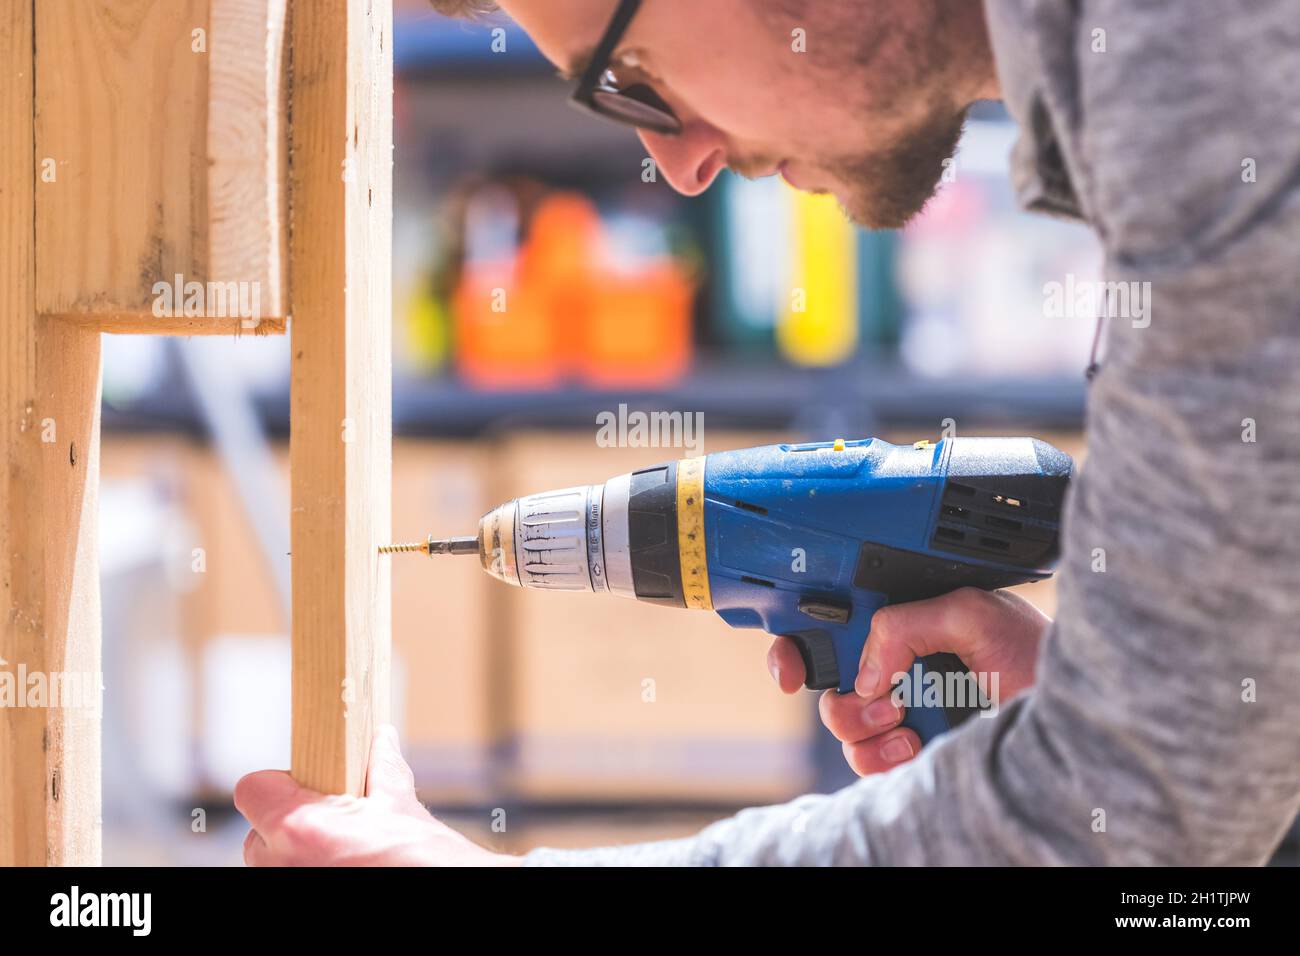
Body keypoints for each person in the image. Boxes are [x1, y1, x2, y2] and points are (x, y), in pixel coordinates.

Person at [236, 0, 1300, 866]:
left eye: (629, 68)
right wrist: (1104, 685)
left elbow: (1128, 817)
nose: (680, 161)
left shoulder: (1203, 65)